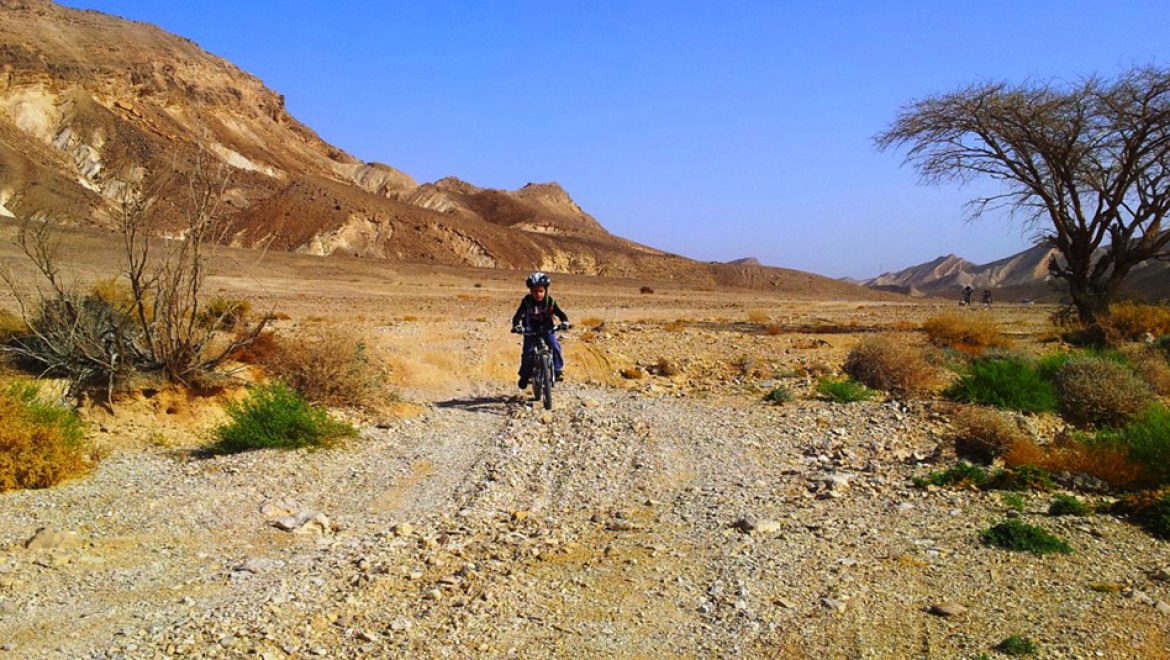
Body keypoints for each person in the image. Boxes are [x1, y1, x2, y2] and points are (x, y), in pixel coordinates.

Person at [512, 272, 570, 389]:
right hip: (530, 329)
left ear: (545, 291)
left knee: (554, 345)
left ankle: (558, 370)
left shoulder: (549, 301)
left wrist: (565, 321)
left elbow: (559, 313)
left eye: (541, 291)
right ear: (531, 291)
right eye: (535, 291)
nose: (538, 294)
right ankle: (524, 375)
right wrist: (516, 325)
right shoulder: (527, 301)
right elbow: (518, 314)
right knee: (528, 354)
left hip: (547, 328)